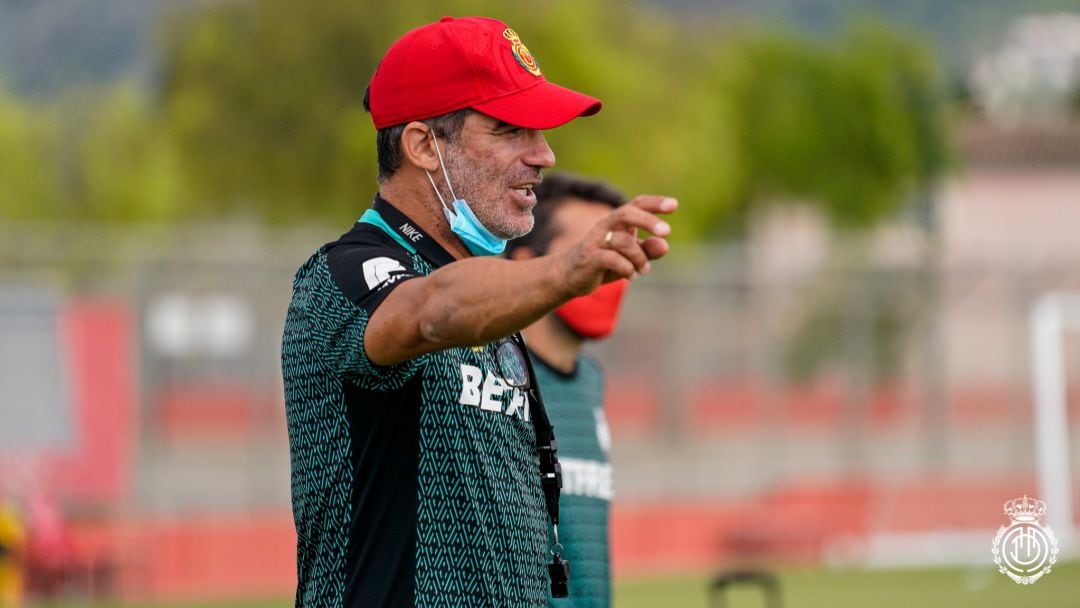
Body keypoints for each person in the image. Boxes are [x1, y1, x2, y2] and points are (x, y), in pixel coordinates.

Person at [281, 16, 676, 607]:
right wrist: (563, 270)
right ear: (422, 147)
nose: (543, 155)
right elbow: (431, 310)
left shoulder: (495, 304)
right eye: (509, 130)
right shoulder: (343, 274)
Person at [507, 174, 628, 608]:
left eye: (619, 255)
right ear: (527, 263)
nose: (611, 272)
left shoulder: (592, 382)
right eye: (589, 254)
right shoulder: (486, 372)